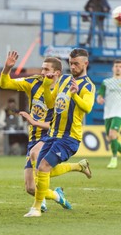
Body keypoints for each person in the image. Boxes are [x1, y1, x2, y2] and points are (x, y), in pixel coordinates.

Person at [0, 51, 92, 213]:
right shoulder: (35, 82)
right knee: (30, 187)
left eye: (46, 69)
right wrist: (7, 68)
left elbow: (60, 118)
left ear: (56, 72)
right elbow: (5, 84)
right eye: (42, 69)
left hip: (52, 134)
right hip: (34, 136)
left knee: (39, 160)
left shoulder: (74, 84)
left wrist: (35, 121)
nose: (42, 73)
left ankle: (38, 205)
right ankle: (57, 194)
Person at [24, 48, 95, 217]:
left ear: (86, 64)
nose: (73, 66)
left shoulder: (88, 86)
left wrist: (75, 95)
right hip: (53, 135)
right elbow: (50, 103)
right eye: (71, 63)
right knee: (41, 171)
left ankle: (36, 208)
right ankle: (79, 166)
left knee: (42, 168)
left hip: (69, 137)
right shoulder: (63, 80)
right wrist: (48, 85)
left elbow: (88, 107)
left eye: (76, 63)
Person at [96, 59, 121, 168]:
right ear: (112, 68)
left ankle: (114, 159)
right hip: (108, 114)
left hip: (118, 113)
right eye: (116, 66)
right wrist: (99, 99)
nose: (118, 68)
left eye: (120, 66)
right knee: (110, 138)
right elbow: (100, 96)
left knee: (112, 134)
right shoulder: (106, 82)